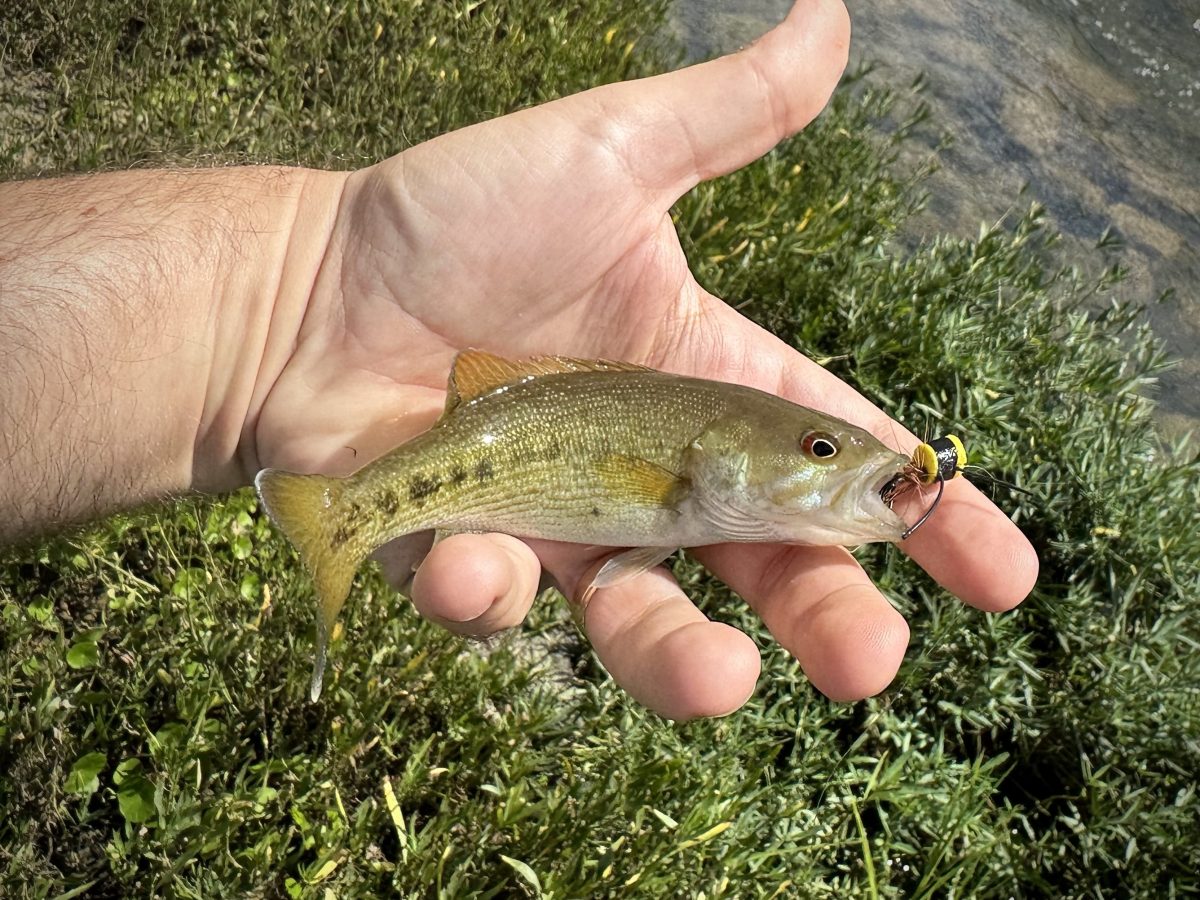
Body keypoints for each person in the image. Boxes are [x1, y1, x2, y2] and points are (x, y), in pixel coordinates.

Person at [0, 0, 1036, 720]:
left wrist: (285, 301)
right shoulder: (686, 469)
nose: (832, 459)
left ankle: (347, 518)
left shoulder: (707, 477)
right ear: (723, 452)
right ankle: (343, 523)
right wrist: (306, 285)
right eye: (817, 446)